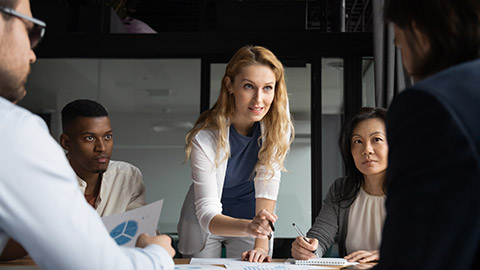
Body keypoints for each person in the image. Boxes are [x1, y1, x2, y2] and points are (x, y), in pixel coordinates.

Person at [0, 0, 175, 268]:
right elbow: (91, 264)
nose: (33, 52)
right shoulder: (14, 132)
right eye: (30, 30)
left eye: (108, 136)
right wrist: (159, 255)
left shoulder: (127, 176)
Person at [373, 0, 480, 269]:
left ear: (418, 33)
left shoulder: (431, 104)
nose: (407, 67)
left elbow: (413, 256)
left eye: (399, 44)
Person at [177, 45, 294, 262]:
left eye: (268, 88)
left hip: (251, 217)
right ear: (229, 85)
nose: (259, 99)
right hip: (208, 222)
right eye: (249, 86)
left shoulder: (278, 129)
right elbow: (206, 213)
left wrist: (261, 242)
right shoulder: (205, 138)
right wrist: (250, 227)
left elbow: (268, 185)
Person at [291, 107, 388, 263]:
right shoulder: (341, 189)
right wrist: (309, 249)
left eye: (376, 139)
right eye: (358, 141)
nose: (367, 150)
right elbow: (320, 237)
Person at [60, 99, 146, 217]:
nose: (102, 147)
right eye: (90, 138)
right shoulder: (47, 183)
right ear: (66, 143)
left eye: (107, 136)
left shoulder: (126, 176)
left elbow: (140, 229)